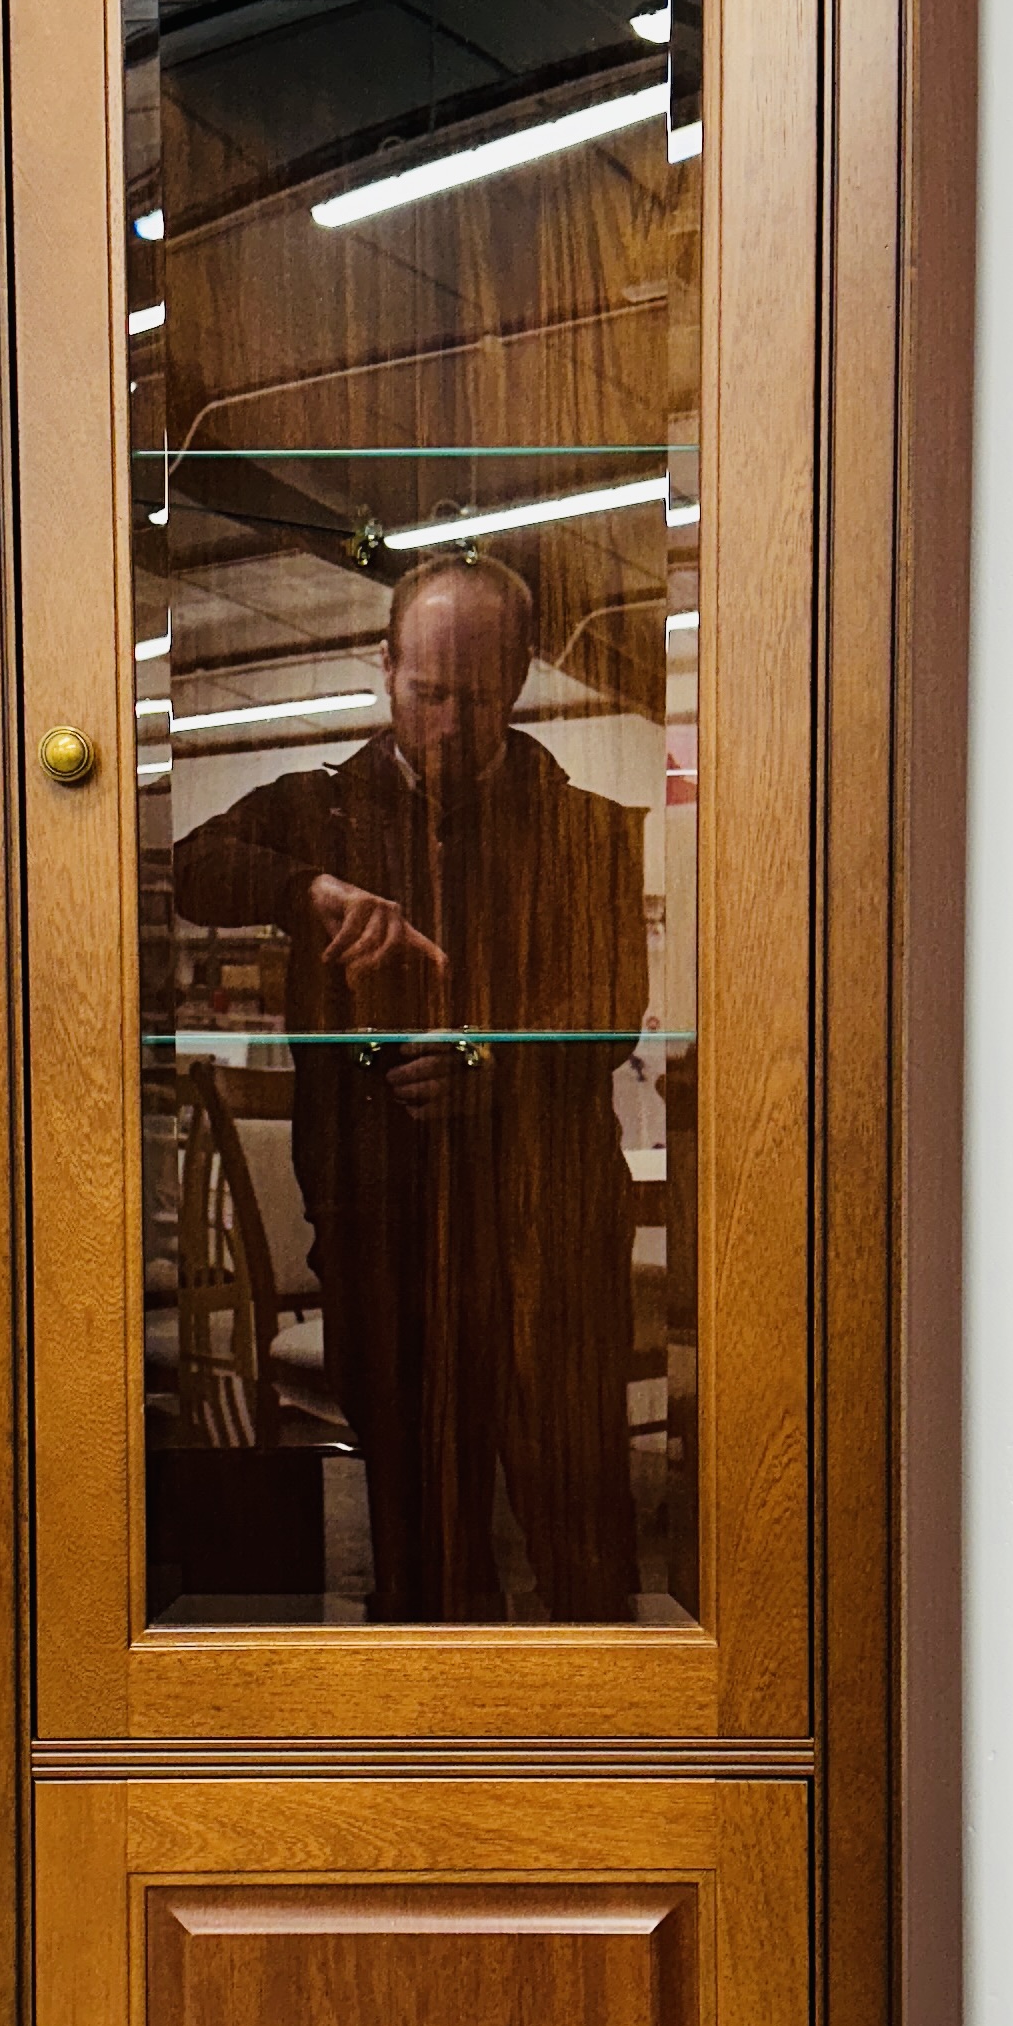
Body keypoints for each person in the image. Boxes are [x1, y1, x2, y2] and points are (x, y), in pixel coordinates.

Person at [173, 552, 645, 1618]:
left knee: (583, 1531)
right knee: (419, 1547)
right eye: (427, 694)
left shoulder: (589, 829)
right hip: (382, 1223)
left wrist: (490, 1066)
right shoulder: (315, 809)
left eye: (476, 699)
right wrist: (306, 888)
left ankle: (607, 1758)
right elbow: (197, 863)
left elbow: (612, 1008)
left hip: (548, 1223)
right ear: (384, 670)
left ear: (520, 677)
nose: (447, 723)